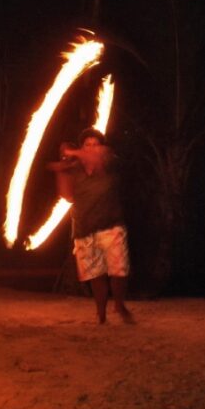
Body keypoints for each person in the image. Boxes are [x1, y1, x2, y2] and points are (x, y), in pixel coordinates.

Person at [49, 128, 133, 324]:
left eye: (96, 144)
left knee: (119, 270)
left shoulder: (109, 162)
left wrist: (71, 152)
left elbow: (99, 156)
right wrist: (61, 169)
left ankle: (119, 304)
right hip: (84, 228)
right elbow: (67, 196)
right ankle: (101, 313)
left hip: (111, 225)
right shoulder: (76, 169)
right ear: (82, 147)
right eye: (88, 144)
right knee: (96, 274)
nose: (93, 148)